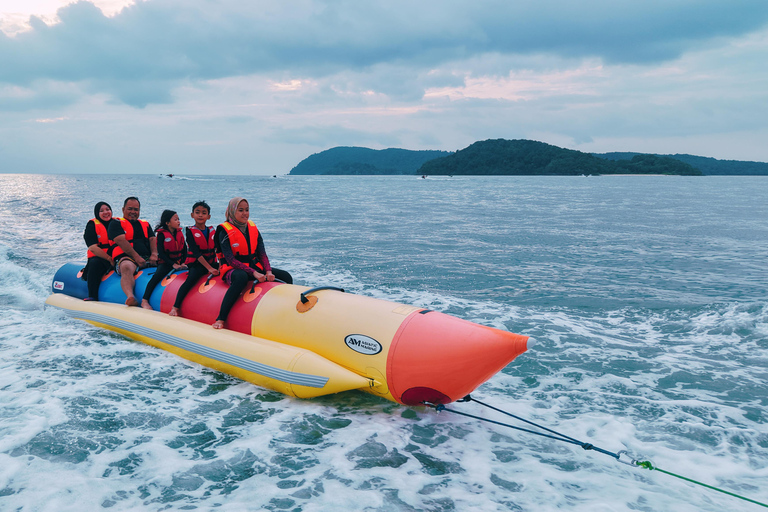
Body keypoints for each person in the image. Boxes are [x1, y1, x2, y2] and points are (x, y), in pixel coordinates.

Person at [212, 197, 292, 329]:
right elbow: (230, 259)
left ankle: (289, 311)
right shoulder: (223, 231)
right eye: (240, 210)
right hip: (232, 269)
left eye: (247, 210)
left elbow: (262, 253)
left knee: (286, 276)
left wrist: (268, 271)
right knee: (241, 278)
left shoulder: (252, 228)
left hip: (254, 267)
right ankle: (221, 318)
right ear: (232, 211)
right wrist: (254, 273)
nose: (245, 213)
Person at [170, 201, 219, 317]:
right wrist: (210, 268)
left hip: (212, 262)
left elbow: (218, 250)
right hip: (197, 264)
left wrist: (220, 266)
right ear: (192, 215)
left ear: (209, 216)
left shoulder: (212, 231)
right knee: (190, 280)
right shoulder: (189, 231)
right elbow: (196, 253)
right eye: (197, 212)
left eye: (204, 213)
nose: (200, 215)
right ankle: (175, 307)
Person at [108, 197, 157, 306]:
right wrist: (137, 257)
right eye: (130, 209)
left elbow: (152, 239)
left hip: (147, 258)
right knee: (126, 267)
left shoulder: (145, 224)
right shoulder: (115, 223)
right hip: (127, 258)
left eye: (136, 209)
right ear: (123, 209)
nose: (133, 212)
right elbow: (120, 240)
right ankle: (130, 296)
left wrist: (154, 254)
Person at [141, 210, 187, 310]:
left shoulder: (179, 232)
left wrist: (183, 262)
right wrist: (172, 264)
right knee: (156, 277)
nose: (178, 221)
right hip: (165, 263)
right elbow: (161, 253)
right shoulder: (161, 235)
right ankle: (144, 300)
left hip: (179, 262)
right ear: (167, 223)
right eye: (175, 219)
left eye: (178, 219)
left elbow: (185, 249)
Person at [82, 201, 115, 301]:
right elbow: (93, 248)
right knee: (95, 264)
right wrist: (109, 258)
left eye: (108, 209)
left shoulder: (117, 223)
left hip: (116, 255)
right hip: (100, 258)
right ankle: (92, 295)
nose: (106, 212)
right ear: (97, 213)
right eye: (101, 211)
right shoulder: (91, 225)